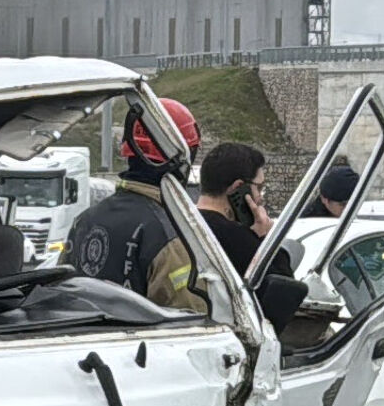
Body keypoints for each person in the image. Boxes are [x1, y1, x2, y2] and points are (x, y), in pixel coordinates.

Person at [63, 96, 208, 311]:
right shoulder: (170, 235)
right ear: (183, 157)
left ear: (128, 149)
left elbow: (61, 291)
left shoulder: (84, 221)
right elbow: (192, 320)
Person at [194, 140, 271, 272]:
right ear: (238, 188)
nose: (260, 197)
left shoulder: (181, 221)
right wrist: (262, 238)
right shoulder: (238, 239)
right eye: (259, 187)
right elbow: (282, 277)